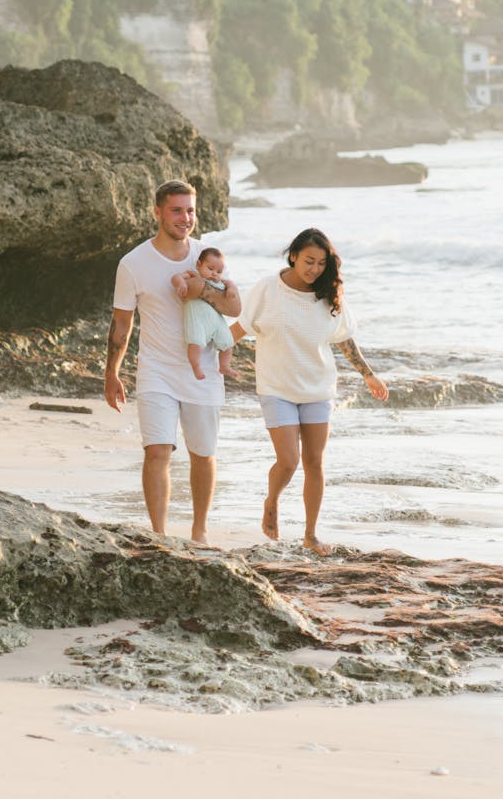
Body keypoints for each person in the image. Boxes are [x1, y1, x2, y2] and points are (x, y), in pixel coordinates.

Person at [230, 228, 388, 557]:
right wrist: (208, 357)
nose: (314, 269)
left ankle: (310, 535)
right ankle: (271, 501)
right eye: (308, 261)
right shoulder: (267, 288)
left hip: (317, 388)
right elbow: (240, 327)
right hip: (276, 387)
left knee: (314, 462)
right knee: (288, 461)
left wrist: (368, 375)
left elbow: (343, 338)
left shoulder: (328, 294)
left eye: (320, 263)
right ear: (293, 256)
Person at [104, 180, 241, 546]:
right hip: (155, 372)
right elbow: (121, 323)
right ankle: (159, 536)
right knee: (157, 450)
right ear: (158, 213)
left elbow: (234, 308)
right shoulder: (132, 263)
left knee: (203, 453)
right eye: (177, 210)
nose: (185, 218)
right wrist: (112, 373)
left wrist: (204, 289)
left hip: (203, 371)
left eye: (191, 210)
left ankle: (199, 532)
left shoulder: (207, 257)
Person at [172, 247, 236, 380]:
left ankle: (224, 365)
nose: (214, 274)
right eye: (210, 269)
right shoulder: (193, 275)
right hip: (197, 320)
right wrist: (181, 283)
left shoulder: (222, 283)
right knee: (195, 343)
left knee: (228, 344)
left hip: (217, 321)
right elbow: (175, 277)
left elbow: (231, 284)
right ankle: (196, 366)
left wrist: (231, 289)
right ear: (199, 265)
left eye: (219, 271)